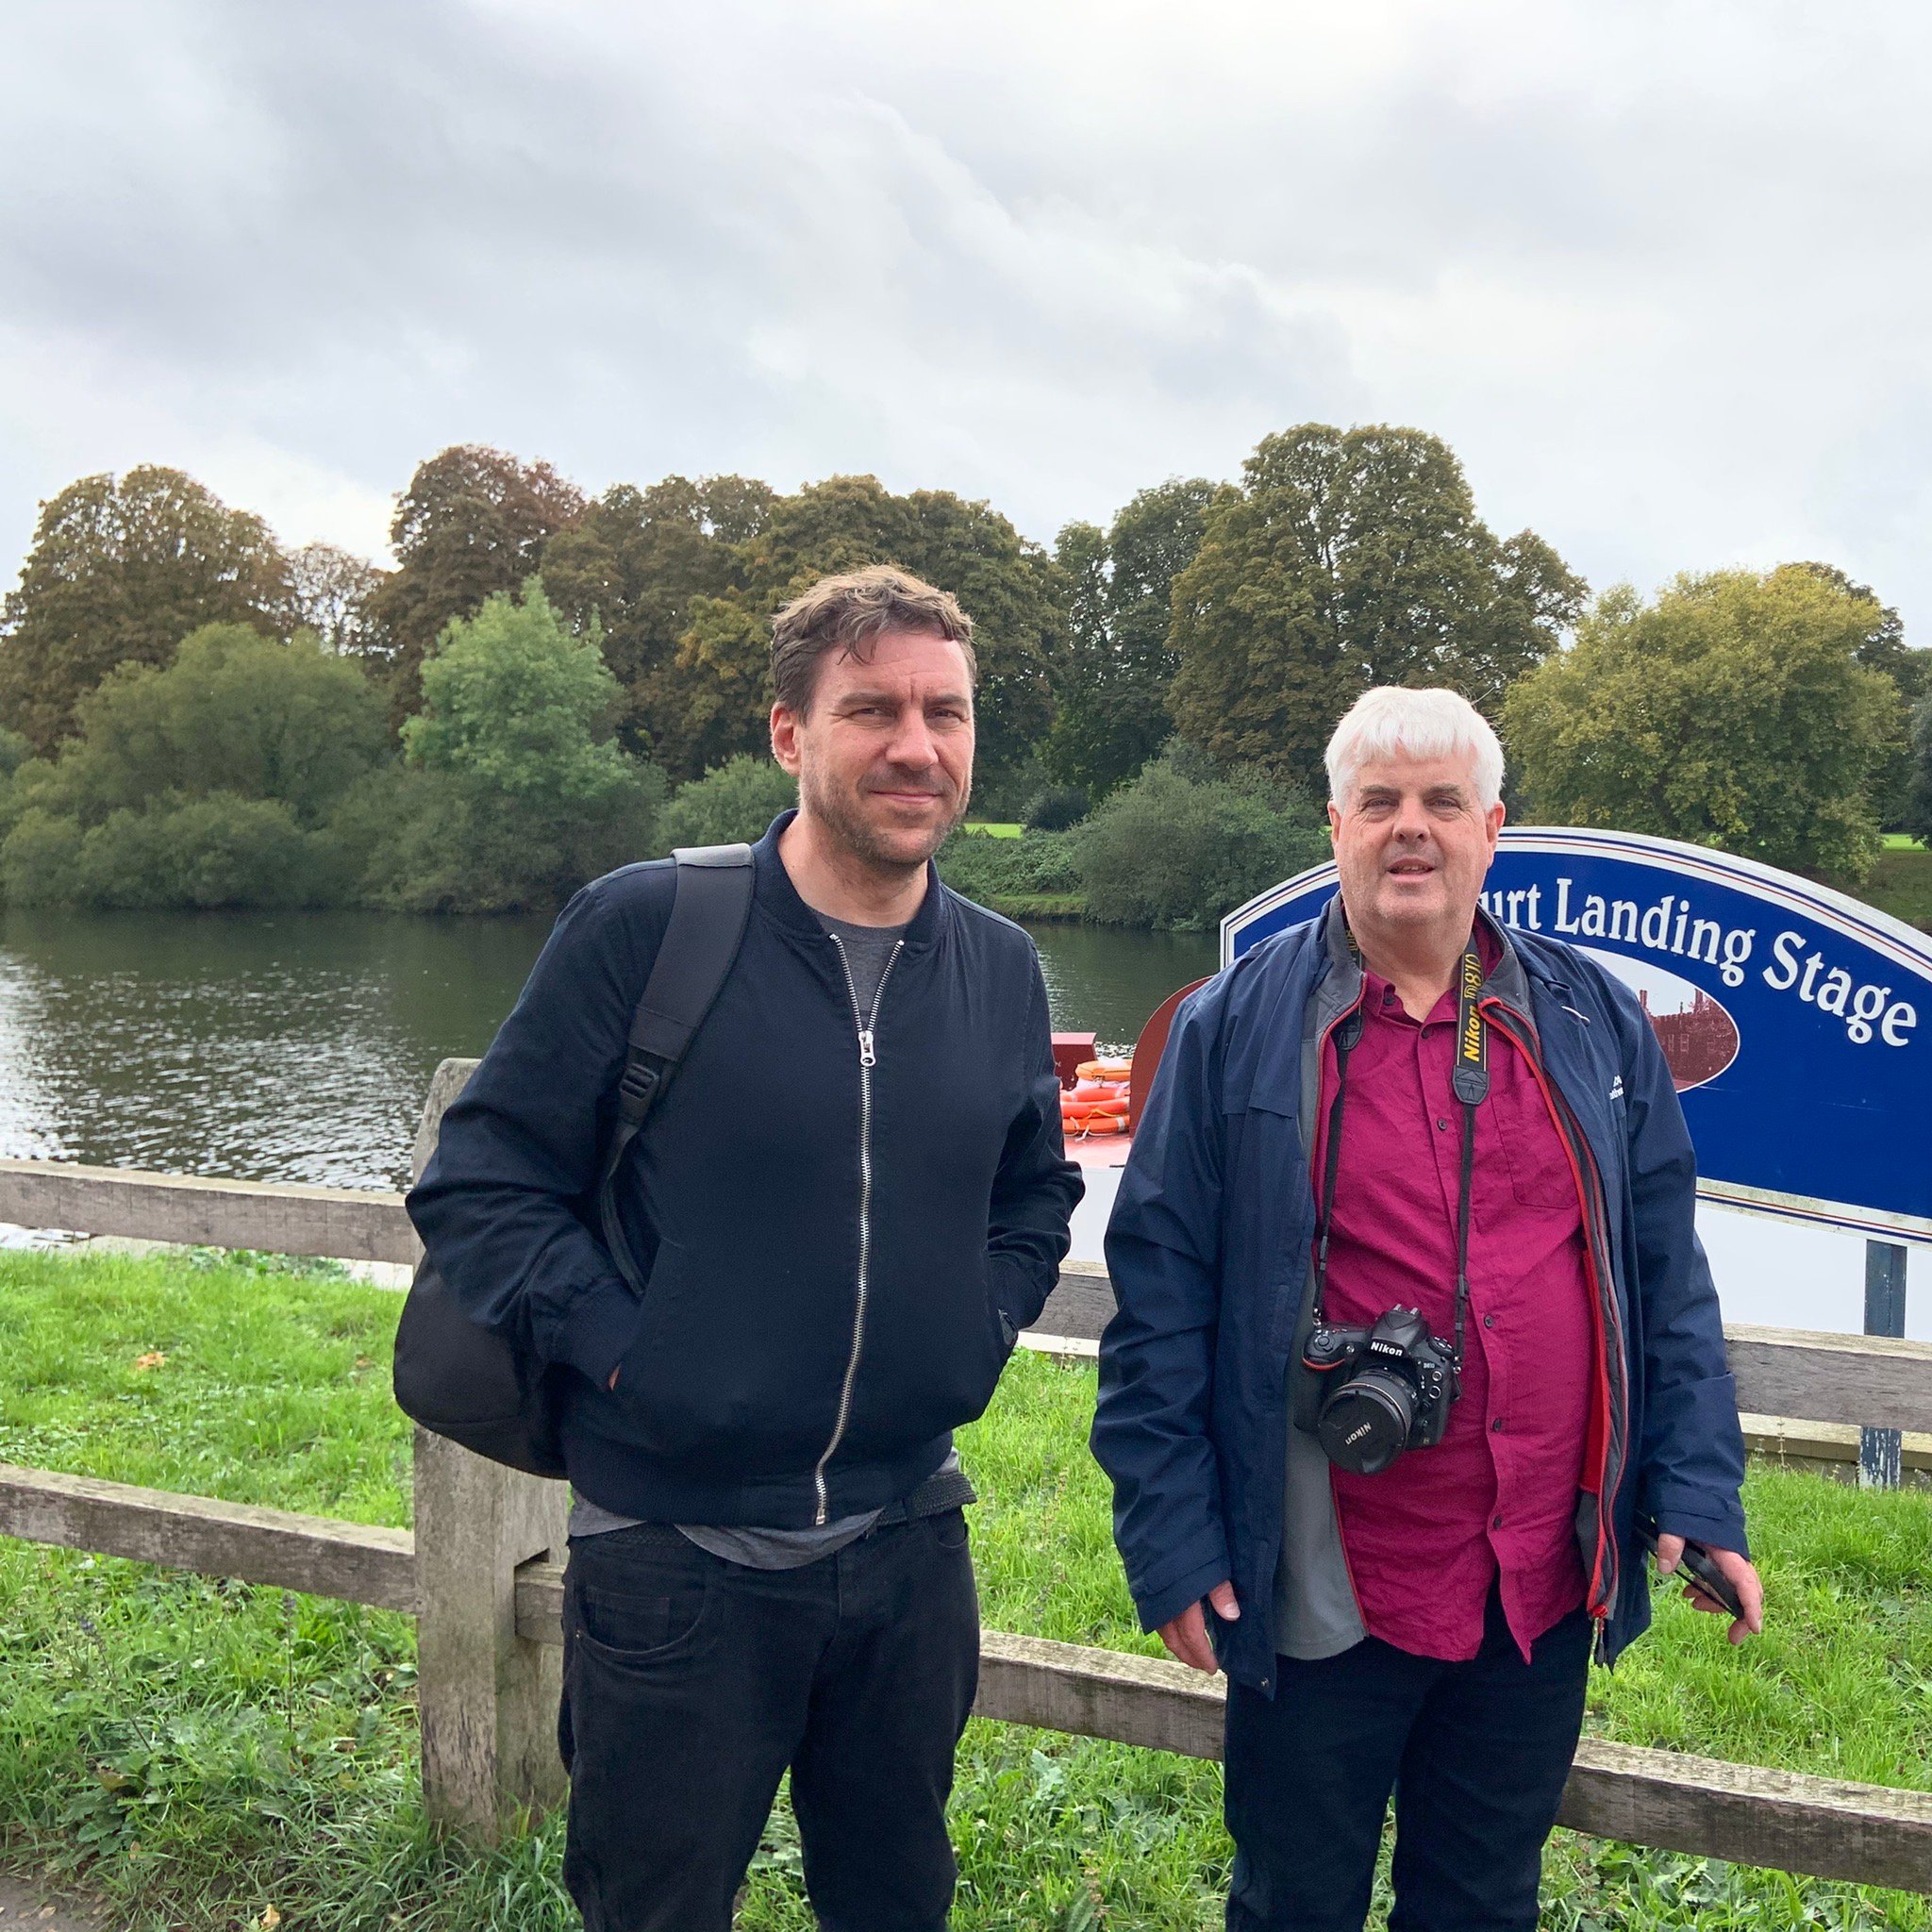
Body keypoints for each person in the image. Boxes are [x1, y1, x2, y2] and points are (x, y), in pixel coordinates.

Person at [409, 564, 1081, 1932]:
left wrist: (976, 1323)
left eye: (945, 713)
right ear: (790, 734)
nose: (916, 746)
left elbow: (1035, 1192)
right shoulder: (650, 928)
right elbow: (482, 1181)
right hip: (675, 1562)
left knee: (897, 1902)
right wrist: (627, 1354)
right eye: (873, 710)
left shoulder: (1001, 967)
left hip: (909, 1548)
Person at [1090, 686, 1762, 1932]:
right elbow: (1159, 1305)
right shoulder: (1235, 1026)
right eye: (1382, 802)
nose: (1413, 828)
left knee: (1483, 1902)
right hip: (1319, 1582)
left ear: (1490, 828)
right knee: (1295, 1900)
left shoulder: (1587, 1017)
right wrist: (1171, 1536)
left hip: (1537, 1578)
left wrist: (1699, 1490)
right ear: (1334, 825)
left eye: (1442, 802)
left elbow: (1663, 1272)